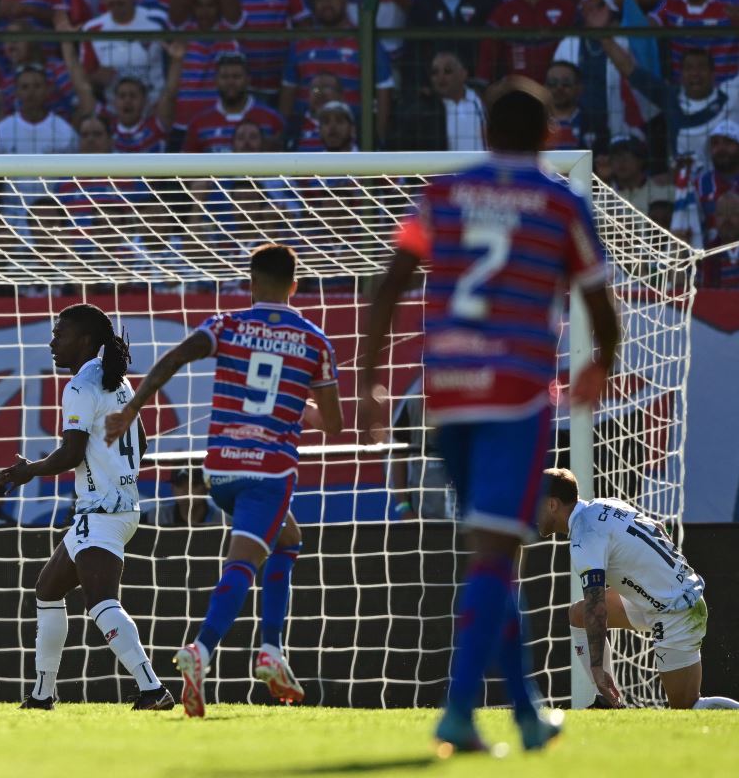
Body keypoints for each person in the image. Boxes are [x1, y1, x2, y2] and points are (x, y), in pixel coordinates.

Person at [358, 79, 622, 755]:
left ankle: (529, 716)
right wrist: (602, 364)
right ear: (547, 138)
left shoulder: (442, 194)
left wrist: (370, 383)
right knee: (494, 552)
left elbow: (389, 284)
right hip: (515, 393)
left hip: (448, 392)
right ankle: (456, 712)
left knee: (492, 551)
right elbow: (599, 302)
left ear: (484, 135)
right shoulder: (560, 202)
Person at [106, 243, 343, 716]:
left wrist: (132, 407)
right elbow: (333, 424)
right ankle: (202, 650)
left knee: (287, 539)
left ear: (250, 282)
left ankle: (272, 652)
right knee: (244, 561)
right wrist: (298, 405)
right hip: (268, 471)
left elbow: (174, 357)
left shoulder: (227, 325)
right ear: (295, 286)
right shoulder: (315, 341)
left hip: (218, 469)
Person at [0, 303, 173, 711]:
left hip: (102, 511)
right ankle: (41, 695)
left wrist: (27, 470)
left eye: (61, 334)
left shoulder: (80, 386)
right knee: (48, 588)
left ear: (85, 340)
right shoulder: (118, 382)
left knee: (101, 602)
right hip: (116, 507)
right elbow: (139, 442)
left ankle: (152, 689)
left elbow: (71, 453)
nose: (52, 342)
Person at [534, 467, 728, 711]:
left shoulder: (585, 536)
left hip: (678, 612)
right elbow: (657, 526)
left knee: (687, 708)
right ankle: (607, 702)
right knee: (578, 614)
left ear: (552, 505)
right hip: (657, 600)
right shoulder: (605, 505)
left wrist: (596, 668)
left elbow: (597, 607)